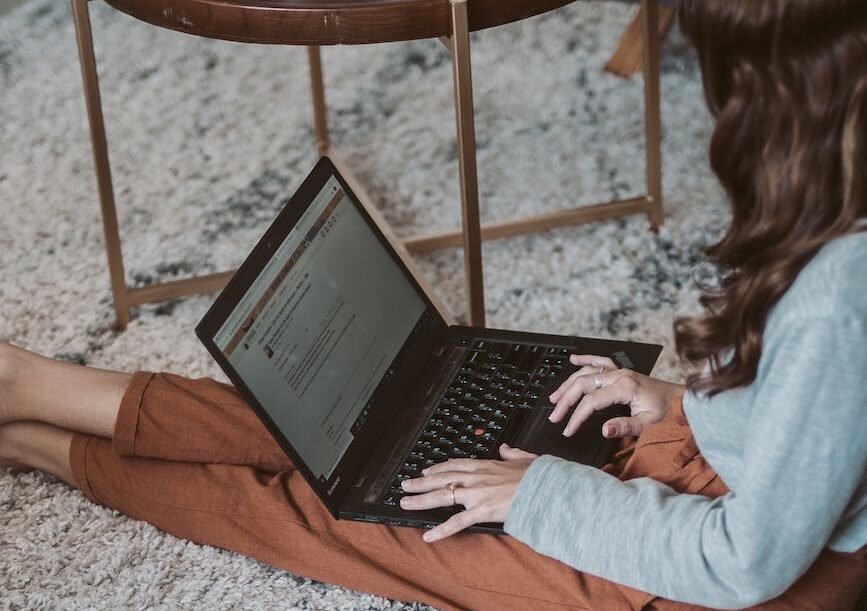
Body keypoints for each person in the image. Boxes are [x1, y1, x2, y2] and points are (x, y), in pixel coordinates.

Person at [2, 0, 866, 608]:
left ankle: (37, 443)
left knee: (354, 518)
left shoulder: (839, 294)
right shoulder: (839, 243)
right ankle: (35, 387)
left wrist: (538, 500)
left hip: (738, 579)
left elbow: (744, 563)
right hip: (740, 483)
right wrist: (680, 404)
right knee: (361, 442)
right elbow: (818, 424)